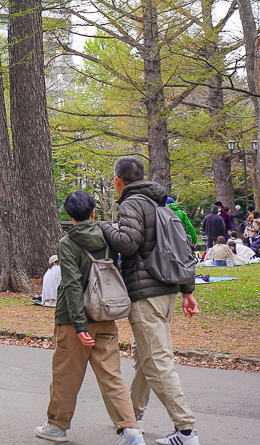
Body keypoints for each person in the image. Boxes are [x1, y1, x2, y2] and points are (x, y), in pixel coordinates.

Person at [98, 157, 199, 445]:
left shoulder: (131, 203)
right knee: (146, 358)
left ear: (118, 181)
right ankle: (132, 417)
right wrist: (187, 291)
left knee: (156, 362)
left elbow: (128, 243)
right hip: (167, 291)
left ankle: (187, 431)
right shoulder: (162, 202)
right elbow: (182, 248)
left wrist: (106, 226)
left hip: (146, 295)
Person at [35, 191, 145, 445]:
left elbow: (72, 285)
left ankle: (56, 426)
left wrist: (79, 325)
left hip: (74, 321)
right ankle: (131, 431)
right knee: (112, 375)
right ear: (94, 212)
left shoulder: (67, 243)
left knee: (66, 374)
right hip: (106, 313)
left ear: (69, 215)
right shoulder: (107, 237)